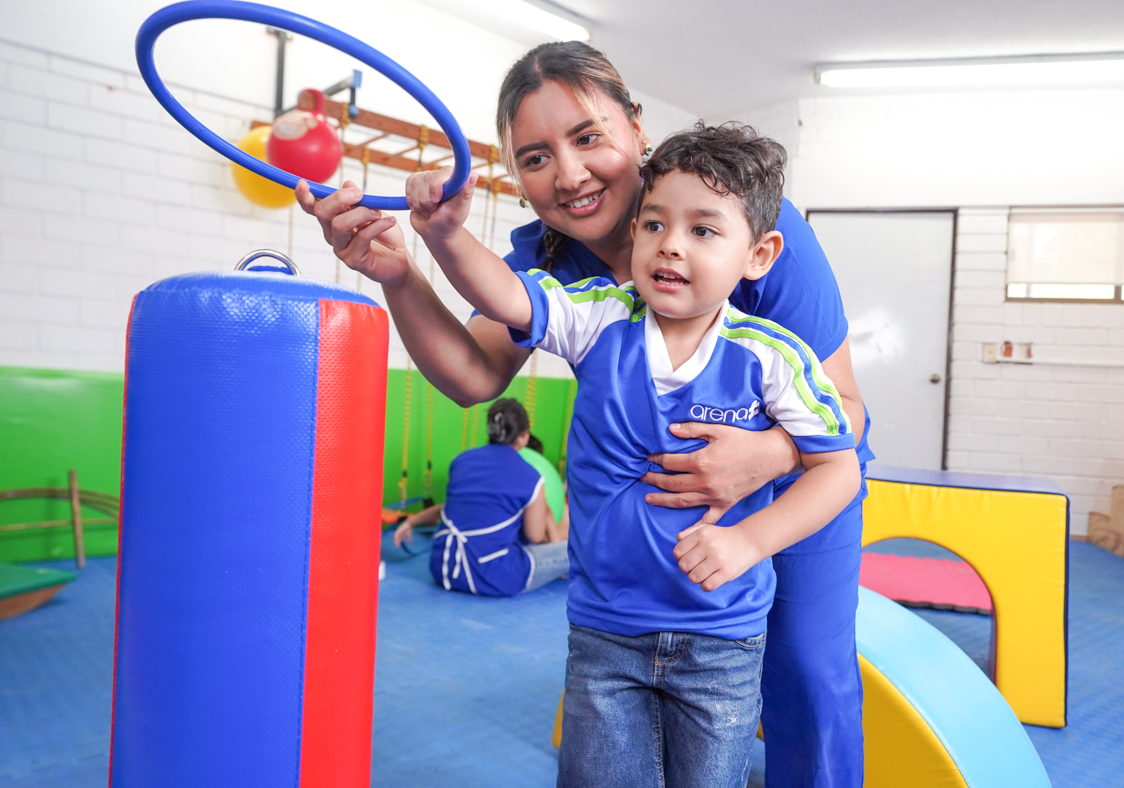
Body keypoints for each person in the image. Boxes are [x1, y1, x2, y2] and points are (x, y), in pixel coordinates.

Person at [297, 42, 873, 788]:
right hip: (640, 554)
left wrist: (764, 458)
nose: (568, 175)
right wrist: (401, 273)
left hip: (795, 482)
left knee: (806, 668)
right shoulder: (555, 267)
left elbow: (847, 411)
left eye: (588, 137)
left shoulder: (737, 216)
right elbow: (473, 375)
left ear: (636, 127)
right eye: (535, 158)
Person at [425, 120, 861, 786]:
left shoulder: (772, 357)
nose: (672, 245)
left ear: (759, 255)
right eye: (654, 225)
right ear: (634, 234)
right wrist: (445, 236)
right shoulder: (599, 316)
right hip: (606, 631)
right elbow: (508, 297)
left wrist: (749, 542)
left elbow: (839, 468)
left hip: (721, 638)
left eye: (703, 231)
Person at [393, 398, 569, 596]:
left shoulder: (461, 461)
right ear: (524, 436)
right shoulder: (531, 476)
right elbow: (534, 536)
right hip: (492, 575)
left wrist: (412, 521)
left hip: (444, 568)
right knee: (574, 551)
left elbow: (454, 508)